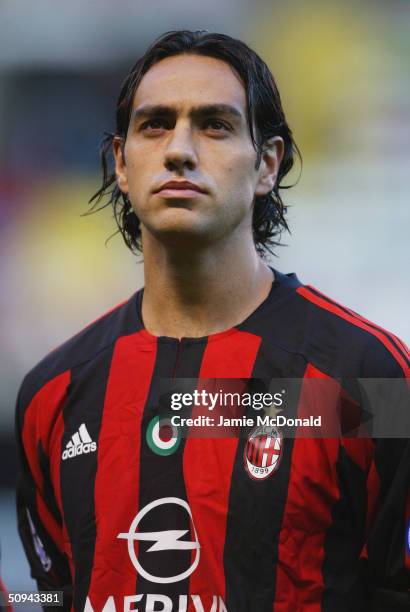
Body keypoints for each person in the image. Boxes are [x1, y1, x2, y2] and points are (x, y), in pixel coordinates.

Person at [15, 30, 409, 612]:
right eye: (155, 124)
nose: (179, 149)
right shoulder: (55, 393)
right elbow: (51, 598)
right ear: (122, 164)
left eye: (214, 124)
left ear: (268, 163)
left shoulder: (371, 380)